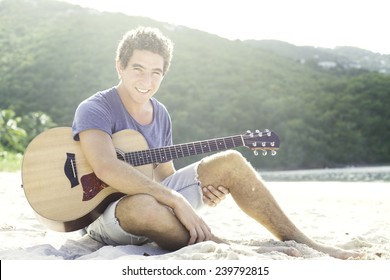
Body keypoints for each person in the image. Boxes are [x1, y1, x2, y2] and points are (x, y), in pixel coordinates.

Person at [72, 26, 362, 259]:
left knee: (231, 162)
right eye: (138, 68)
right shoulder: (96, 107)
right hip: (102, 213)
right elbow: (106, 167)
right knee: (144, 205)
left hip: (152, 203)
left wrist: (202, 191)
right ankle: (222, 243)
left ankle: (305, 242)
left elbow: (165, 177)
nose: (146, 80)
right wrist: (176, 199)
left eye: (156, 72)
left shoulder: (160, 113)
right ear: (119, 66)